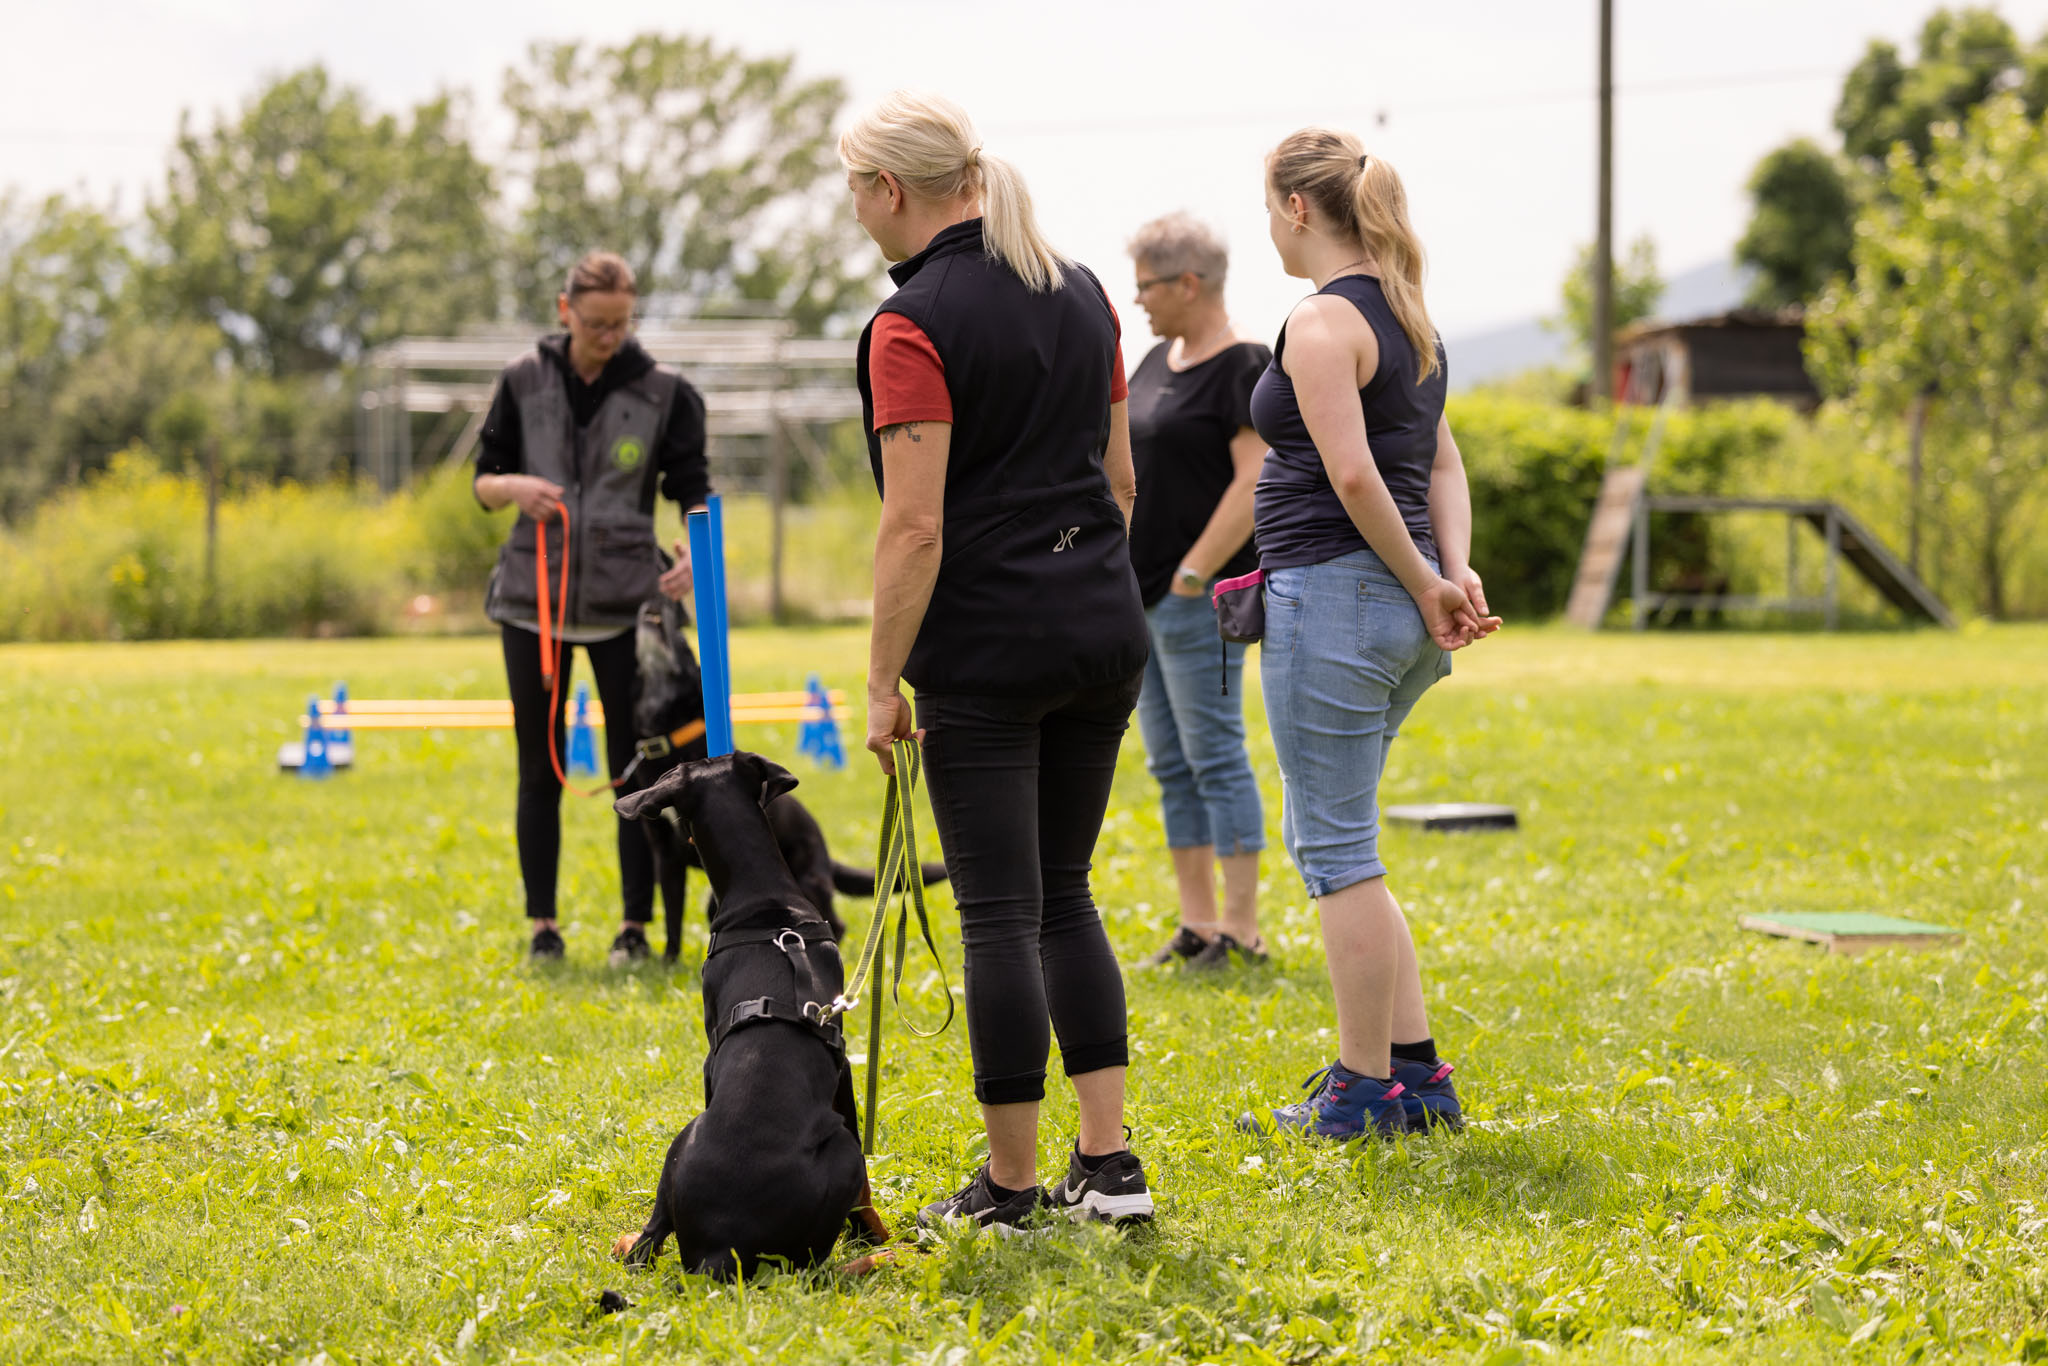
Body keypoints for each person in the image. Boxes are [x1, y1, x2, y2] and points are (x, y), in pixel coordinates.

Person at [842, 90, 1157, 1231]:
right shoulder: (1084, 295)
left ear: (890, 191)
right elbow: (1119, 486)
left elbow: (912, 526)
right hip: (1101, 628)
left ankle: (1013, 1189)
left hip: (986, 648)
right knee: (1063, 894)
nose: (854, 211)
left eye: (853, 189)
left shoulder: (910, 323)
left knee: (997, 911)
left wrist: (881, 682)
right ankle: (1109, 1169)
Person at [1234, 130, 1500, 1140]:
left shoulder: (1318, 322)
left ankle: (1357, 1092)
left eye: (1268, 207)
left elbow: (1352, 476)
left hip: (1336, 601)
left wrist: (1433, 577)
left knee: (1333, 850)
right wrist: (1448, 571)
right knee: (1347, 842)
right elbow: (1441, 468)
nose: (1266, 225)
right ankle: (1415, 1076)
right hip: (1396, 611)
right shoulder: (1408, 317)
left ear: (1297, 209)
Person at [473, 251, 709, 966]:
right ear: (564, 309)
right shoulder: (521, 380)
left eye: (623, 323)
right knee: (536, 770)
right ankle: (543, 926)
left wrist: (700, 549)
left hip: (626, 608)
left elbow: (693, 486)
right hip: (530, 603)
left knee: (635, 776)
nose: (611, 335)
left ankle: (633, 929)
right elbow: (483, 480)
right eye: (598, 323)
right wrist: (515, 488)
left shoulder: (667, 391)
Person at [1124, 213, 1272, 972]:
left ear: (1189, 282)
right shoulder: (1154, 359)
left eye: (1147, 282)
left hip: (1199, 598)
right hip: (1142, 597)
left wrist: (1192, 573)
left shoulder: (1245, 362)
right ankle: (1198, 925)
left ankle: (1242, 934)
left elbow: (1256, 477)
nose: (1138, 297)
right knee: (1170, 765)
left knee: (1215, 756)